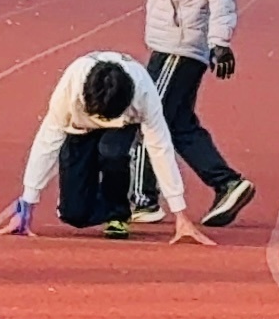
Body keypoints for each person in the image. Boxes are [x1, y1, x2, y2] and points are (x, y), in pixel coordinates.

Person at [123, 0, 253, 227]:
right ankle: (227, 183)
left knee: (150, 116)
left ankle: (142, 197)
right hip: (166, 35)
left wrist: (220, 40)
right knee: (178, 122)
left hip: (184, 40)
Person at [11, 51, 213, 243]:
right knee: (74, 215)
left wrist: (180, 214)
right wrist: (27, 203)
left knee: (112, 151)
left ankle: (118, 212)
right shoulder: (69, 89)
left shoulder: (144, 93)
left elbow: (160, 148)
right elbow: (47, 142)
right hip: (80, 127)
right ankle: (95, 201)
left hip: (121, 127)